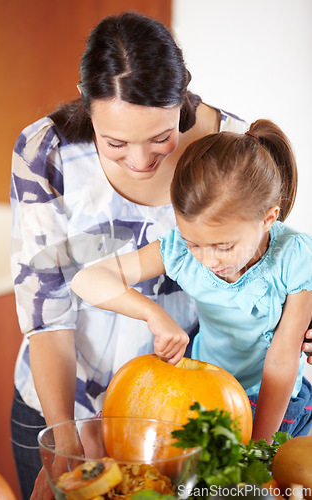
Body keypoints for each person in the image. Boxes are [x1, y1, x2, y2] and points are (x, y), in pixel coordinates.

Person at [10, 10, 312, 499]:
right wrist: (65, 445)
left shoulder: (229, 148)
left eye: (160, 138)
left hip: (189, 419)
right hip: (67, 406)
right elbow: (49, 309)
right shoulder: (46, 152)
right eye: (115, 143)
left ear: (182, 102)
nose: (141, 161)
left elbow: (273, 260)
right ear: (89, 110)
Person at [71, 119, 312, 444]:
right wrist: (153, 315)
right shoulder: (180, 251)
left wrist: (257, 444)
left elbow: (283, 358)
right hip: (204, 392)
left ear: (268, 218)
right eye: (195, 243)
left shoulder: (295, 257)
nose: (208, 261)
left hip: (272, 399)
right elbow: (88, 279)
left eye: (224, 246)